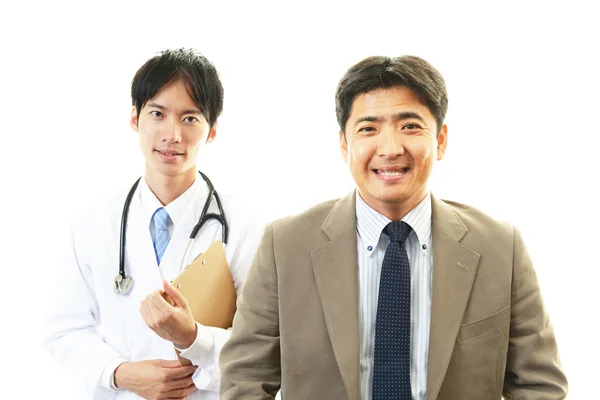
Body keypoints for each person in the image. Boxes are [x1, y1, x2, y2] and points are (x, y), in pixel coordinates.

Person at [219, 55, 569, 399]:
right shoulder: (285, 245)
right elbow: (244, 381)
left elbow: (540, 387)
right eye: (368, 128)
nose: (389, 148)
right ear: (344, 144)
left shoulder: (500, 247)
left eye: (410, 126)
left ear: (441, 140)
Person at [43, 48, 263, 400]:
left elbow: (260, 347)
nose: (172, 134)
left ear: (213, 131)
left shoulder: (246, 226)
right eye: (158, 114)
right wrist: (120, 373)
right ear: (135, 118)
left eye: (190, 118)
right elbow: (64, 331)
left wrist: (193, 338)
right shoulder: (92, 222)